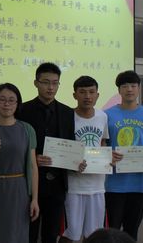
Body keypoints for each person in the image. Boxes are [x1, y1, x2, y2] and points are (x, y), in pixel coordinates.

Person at [17, 62, 75, 243]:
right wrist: (32, 158)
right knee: (29, 232)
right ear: (36, 83)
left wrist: (76, 160)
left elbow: (71, 144)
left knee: (51, 234)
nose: (51, 88)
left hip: (57, 184)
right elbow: (16, 145)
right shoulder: (22, 110)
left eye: (55, 83)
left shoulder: (67, 112)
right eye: (46, 82)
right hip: (28, 183)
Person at [0, 83, 39, 243]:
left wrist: (34, 199)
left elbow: (33, 167)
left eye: (11, 100)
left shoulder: (27, 129)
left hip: (19, 192)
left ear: (17, 104)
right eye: (2, 99)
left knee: (15, 235)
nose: (6, 104)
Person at [104, 70, 143, 241]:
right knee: (112, 232)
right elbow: (102, 144)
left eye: (133, 85)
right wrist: (108, 155)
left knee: (132, 232)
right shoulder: (107, 114)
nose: (129, 89)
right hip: (113, 185)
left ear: (138, 88)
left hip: (139, 184)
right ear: (119, 90)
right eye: (124, 86)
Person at [60, 75, 109, 243]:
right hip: (73, 186)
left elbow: (102, 143)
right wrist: (71, 162)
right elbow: (62, 148)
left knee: (94, 236)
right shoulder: (67, 117)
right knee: (70, 234)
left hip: (97, 186)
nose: (87, 96)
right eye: (82, 92)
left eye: (91, 92)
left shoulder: (103, 117)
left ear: (97, 95)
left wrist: (107, 159)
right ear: (75, 95)